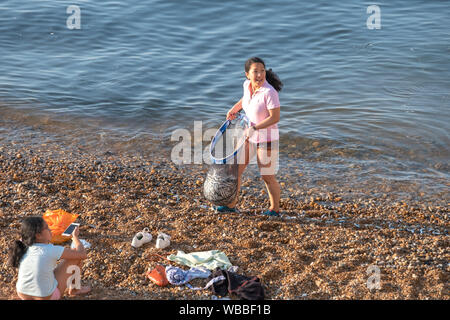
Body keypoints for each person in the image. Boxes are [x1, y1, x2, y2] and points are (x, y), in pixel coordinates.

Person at [217, 56, 283, 216]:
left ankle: (274, 210)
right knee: (235, 170)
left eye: (262, 71)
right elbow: (244, 99)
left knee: (267, 176)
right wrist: (234, 109)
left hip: (267, 139)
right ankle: (231, 205)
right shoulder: (247, 85)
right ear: (247, 74)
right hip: (248, 135)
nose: (259, 75)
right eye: (255, 71)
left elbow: (275, 117)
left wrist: (255, 128)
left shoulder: (270, 92)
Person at [7, 216, 91, 300]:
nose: (50, 230)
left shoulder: (23, 246)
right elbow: (82, 254)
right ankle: (75, 289)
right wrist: (75, 237)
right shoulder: (50, 250)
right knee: (75, 257)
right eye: (47, 228)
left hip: (22, 293)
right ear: (38, 235)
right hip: (46, 297)